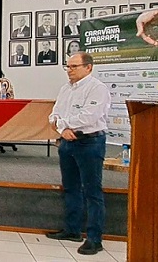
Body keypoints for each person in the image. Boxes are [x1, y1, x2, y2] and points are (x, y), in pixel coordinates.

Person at [45, 52, 111, 255]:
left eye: (74, 66)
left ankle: (94, 239)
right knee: (71, 187)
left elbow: (89, 117)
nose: (69, 70)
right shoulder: (65, 88)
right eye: (67, 66)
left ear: (88, 67)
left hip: (89, 142)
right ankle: (72, 230)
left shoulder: (97, 88)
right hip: (67, 142)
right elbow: (53, 114)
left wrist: (63, 125)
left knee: (92, 191)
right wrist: (61, 128)